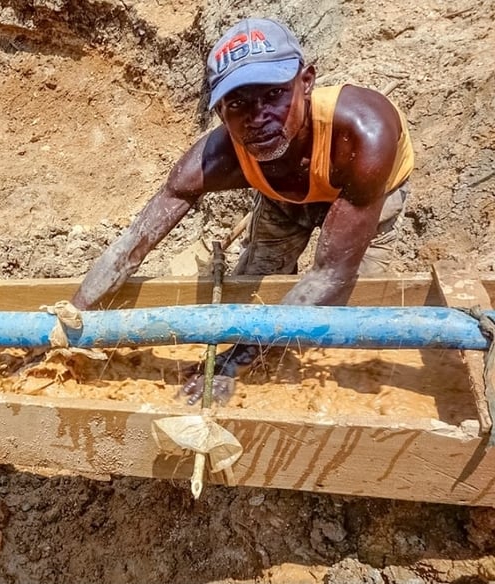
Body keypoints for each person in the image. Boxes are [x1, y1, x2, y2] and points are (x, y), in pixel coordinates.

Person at [70, 17, 414, 403]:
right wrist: (68, 317)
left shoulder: (364, 135)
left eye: (273, 95)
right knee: (254, 287)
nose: (257, 117)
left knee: (347, 315)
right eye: (238, 104)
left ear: (306, 82)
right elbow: (131, 247)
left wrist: (228, 366)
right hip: (282, 197)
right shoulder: (216, 159)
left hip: (365, 192)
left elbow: (332, 274)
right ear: (219, 114)